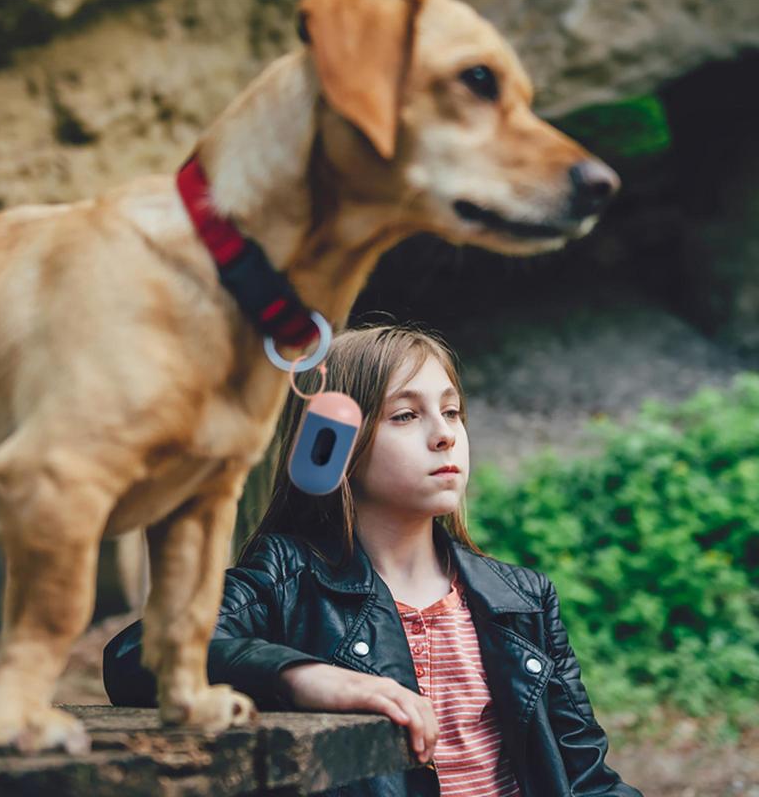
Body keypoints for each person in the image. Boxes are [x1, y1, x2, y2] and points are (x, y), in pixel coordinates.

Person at [103, 325, 643, 797]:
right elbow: (139, 653)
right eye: (406, 415)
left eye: (452, 411)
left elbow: (586, 779)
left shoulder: (522, 599)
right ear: (329, 447)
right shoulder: (285, 579)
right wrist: (304, 678)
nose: (445, 434)